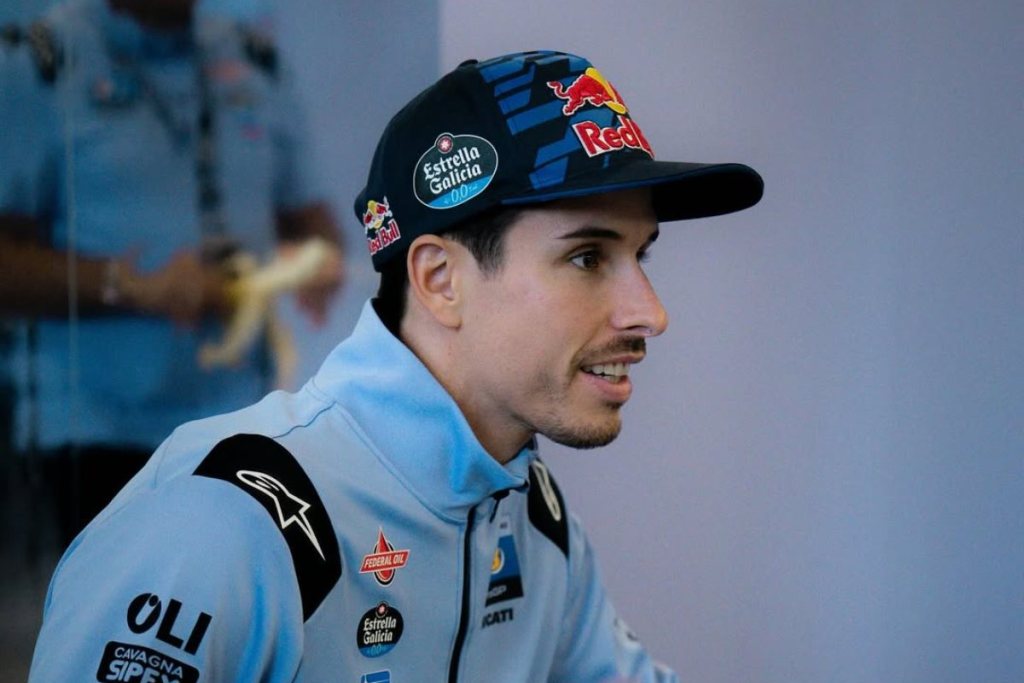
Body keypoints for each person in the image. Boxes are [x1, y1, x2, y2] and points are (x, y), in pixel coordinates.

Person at [28, 50, 762, 682]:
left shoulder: (532, 515)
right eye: (588, 257)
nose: (650, 312)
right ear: (440, 280)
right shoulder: (225, 517)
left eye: (641, 255)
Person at [0, 0, 344, 546]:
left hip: (241, 421)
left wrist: (315, 262)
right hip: (100, 431)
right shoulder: (39, 63)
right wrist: (128, 286)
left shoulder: (253, 57)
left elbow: (312, 222)